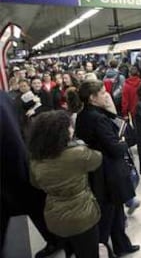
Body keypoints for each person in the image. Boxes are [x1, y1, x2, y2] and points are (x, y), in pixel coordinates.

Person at [73, 80, 140, 257]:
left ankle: (121, 244)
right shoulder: (99, 118)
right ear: (92, 98)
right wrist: (123, 143)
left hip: (98, 170)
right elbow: (114, 148)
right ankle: (101, 250)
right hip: (108, 172)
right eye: (102, 93)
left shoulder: (83, 115)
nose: (106, 95)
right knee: (107, 214)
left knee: (116, 209)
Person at [28, 110, 102, 258]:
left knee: (70, 250)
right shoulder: (77, 153)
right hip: (82, 216)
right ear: (61, 132)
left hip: (55, 216)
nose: (72, 129)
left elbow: (35, 183)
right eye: (69, 127)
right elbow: (97, 159)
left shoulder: (35, 160)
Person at [0, 91, 62, 258]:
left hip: (13, 172)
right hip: (21, 166)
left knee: (37, 208)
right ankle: (57, 240)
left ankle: (58, 240)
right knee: (37, 208)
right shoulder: (4, 97)